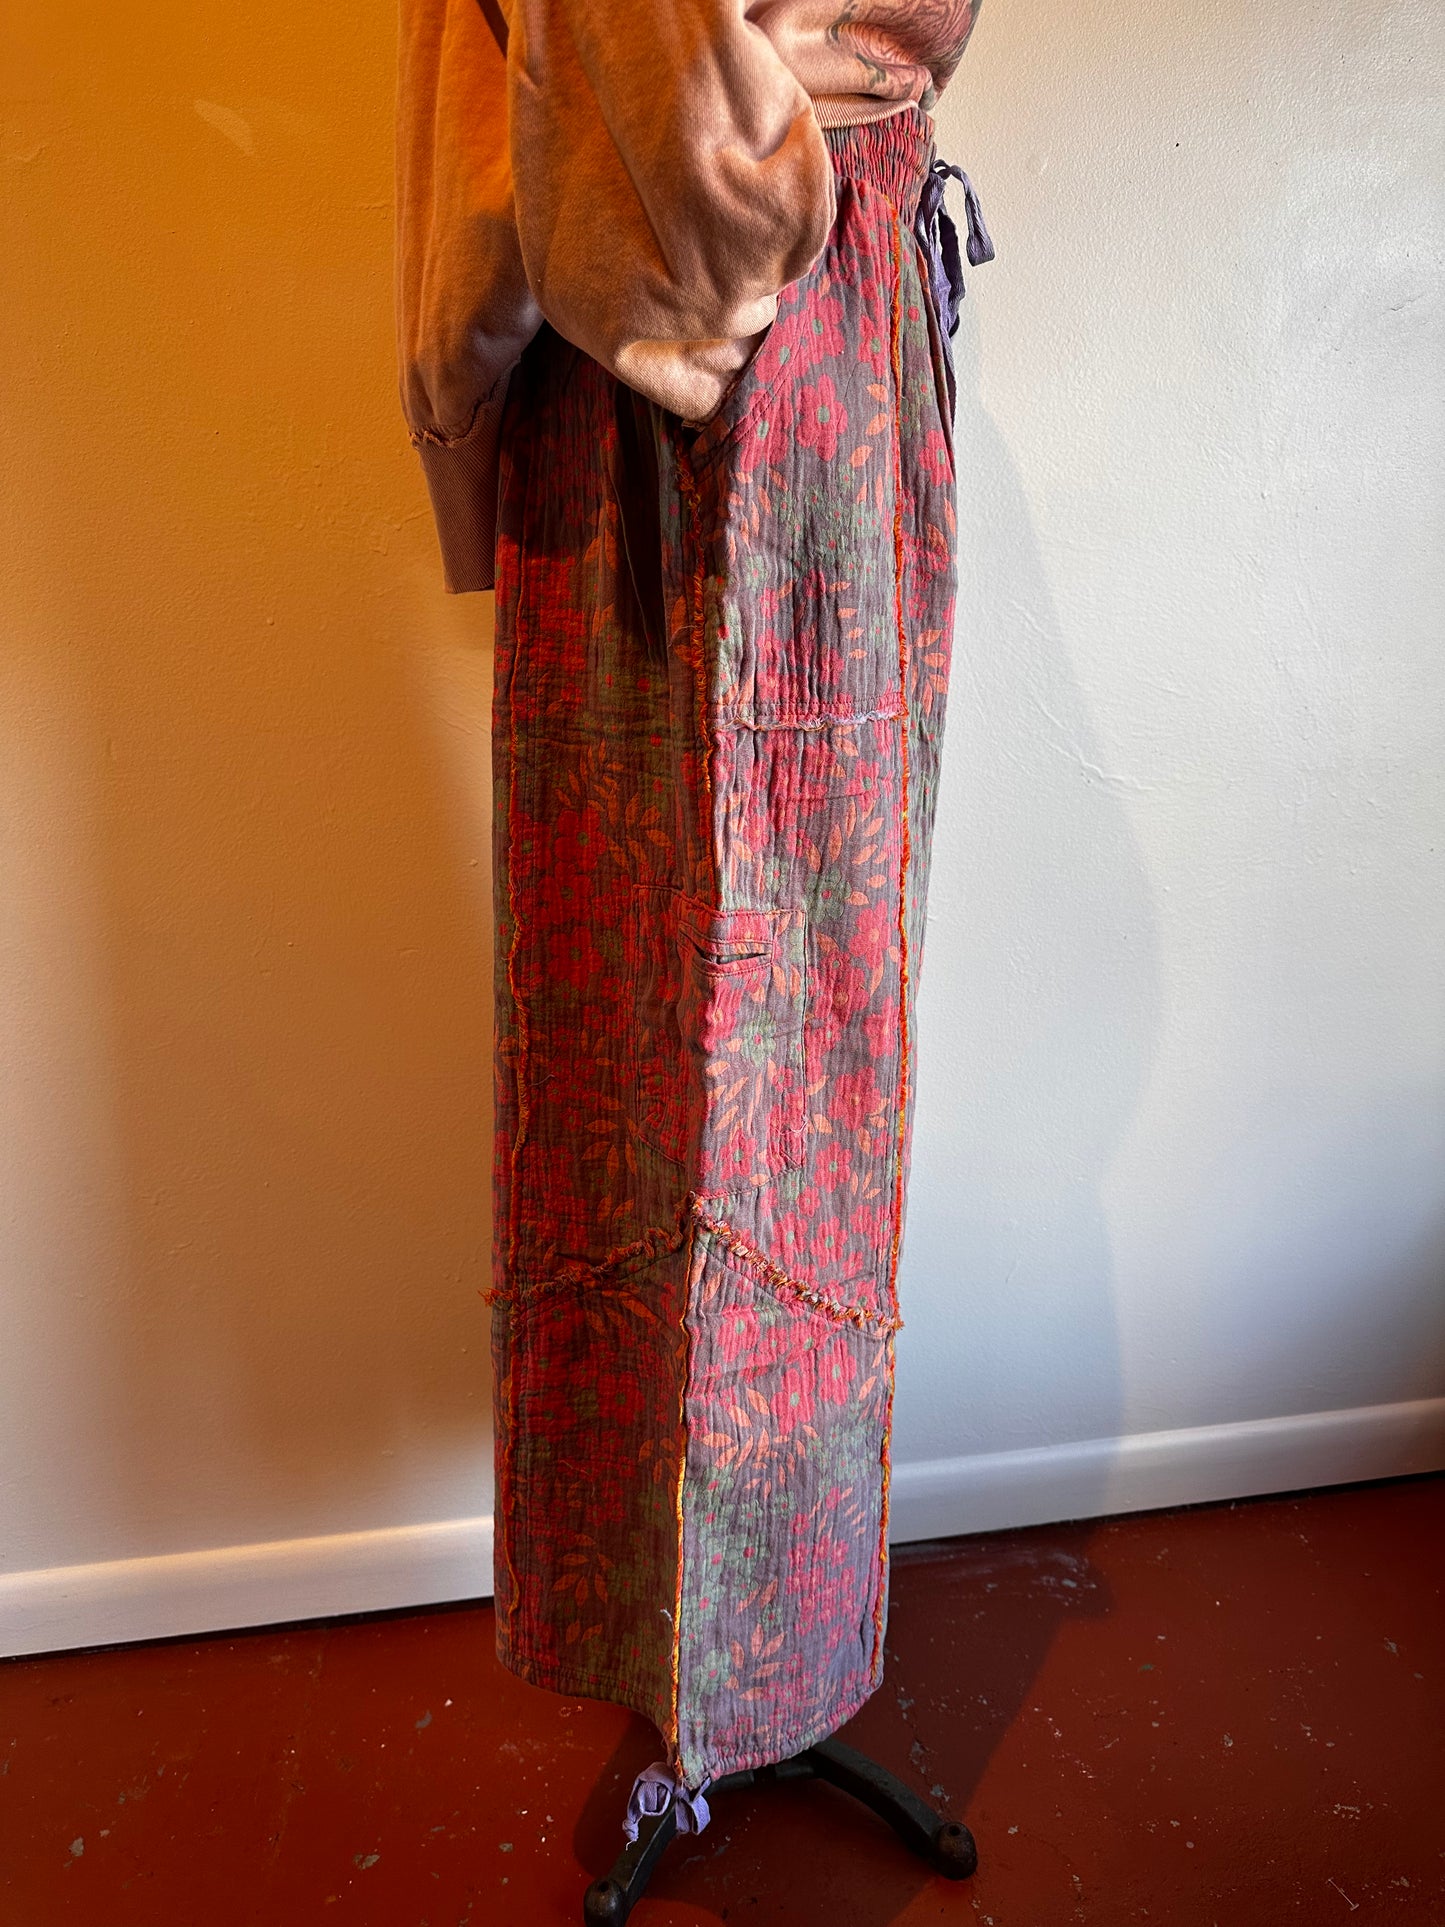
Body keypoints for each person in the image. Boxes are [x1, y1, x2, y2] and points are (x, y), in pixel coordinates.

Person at [394, 0, 993, 1820]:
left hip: (806, 351)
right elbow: (668, 142)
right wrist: (766, 146)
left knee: (783, 1027)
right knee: (686, 1024)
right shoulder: (748, 187)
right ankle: (696, 1655)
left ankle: (750, 1656)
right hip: (740, 351)